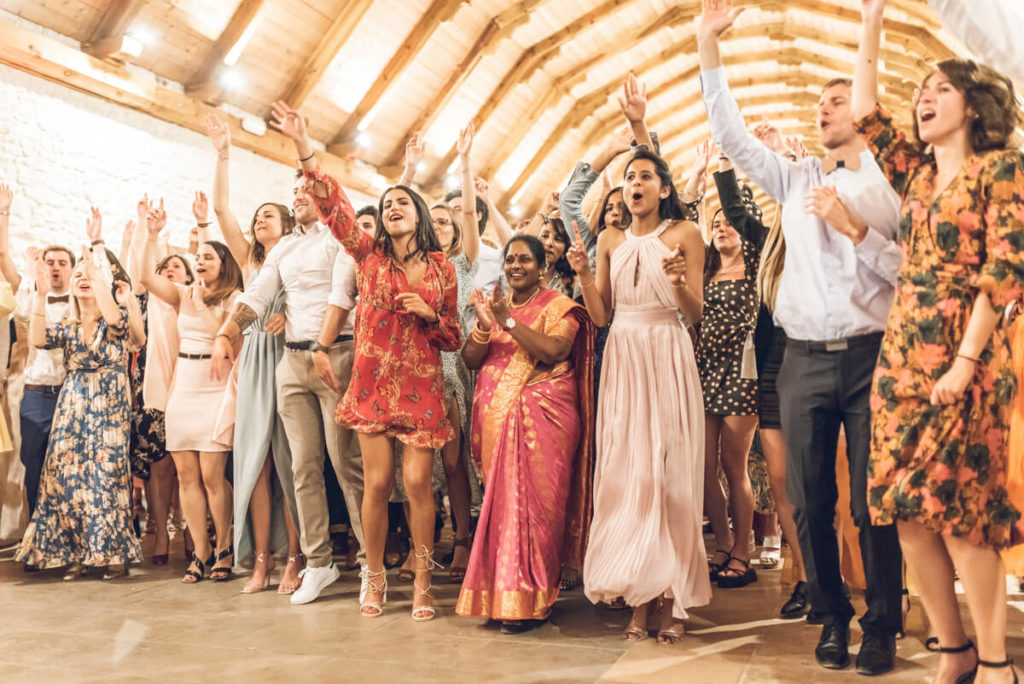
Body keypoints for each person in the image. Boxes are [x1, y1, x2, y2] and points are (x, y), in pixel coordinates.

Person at [699, 0, 904, 673]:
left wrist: (853, 228)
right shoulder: (794, 177)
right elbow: (730, 137)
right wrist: (709, 46)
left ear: (865, 114)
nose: (825, 109)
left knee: (875, 496)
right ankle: (832, 616)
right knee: (809, 496)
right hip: (804, 361)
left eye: (839, 99)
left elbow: (909, 271)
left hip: (871, 357)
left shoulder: (884, 185)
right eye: (821, 102)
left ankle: (882, 622)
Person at [852, 2, 1024, 682]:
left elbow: (1006, 273)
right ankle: (951, 651)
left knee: (961, 515)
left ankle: (997, 662)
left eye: (939, 89)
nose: (923, 99)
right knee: (904, 513)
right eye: (920, 92)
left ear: (973, 105)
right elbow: (867, 110)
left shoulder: (1002, 171)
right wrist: (872, 20)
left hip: (966, 357)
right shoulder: (916, 174)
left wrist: (964, 360)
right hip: (900, 361)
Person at [571, 76, 709, 641]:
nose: (635, 183)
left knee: (671, 474)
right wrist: (582, 276)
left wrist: (678, 282)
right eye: (629, 177)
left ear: (664, 187)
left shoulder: (687, 233)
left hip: (668, 352)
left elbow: (693, 313)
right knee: (630, 476)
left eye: (645, 175)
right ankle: (638, 593)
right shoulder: (608, 241)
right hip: (624, 358)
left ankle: (674, 599)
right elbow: (601, 318)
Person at [212, 106, 364, 605]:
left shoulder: (338, 240)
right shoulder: (283, 250)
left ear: (320, 197)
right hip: (292, 364)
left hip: (336, 356)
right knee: (302, 466)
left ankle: (368, 562)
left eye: (306, 190)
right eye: (293, 191)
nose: (299, 196)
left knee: (346, 465)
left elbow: (342, 295)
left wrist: (323, 347)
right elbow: (256, 295)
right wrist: (228, 333)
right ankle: (319, 564)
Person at [456, 234, 595, 634]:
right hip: (497, 425)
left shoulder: (558, 306)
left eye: (525, 260)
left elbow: (555, 352)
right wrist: (485, 328)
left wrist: (509, 322)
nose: (516, 266)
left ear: (542, 267)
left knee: (534, 512)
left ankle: (531, 601)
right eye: (510, 259)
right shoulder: (497, 306)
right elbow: (471, 360)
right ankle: (500, 597)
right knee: (500, 511)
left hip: (542, 424)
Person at [204, 113, 304, 595]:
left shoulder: (300, 256)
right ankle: (261, 560)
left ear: (287, 224)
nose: (260, 218)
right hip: (253, 361)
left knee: (291, 464)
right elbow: (222, 208)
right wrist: (223, 152)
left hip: (287, 358)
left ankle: (296, 558)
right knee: (255, 465)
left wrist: (295, 318)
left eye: (270, 214)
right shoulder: (249, 261)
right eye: (258, 215)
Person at [16, 235, 143, 579]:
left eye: (88, 276)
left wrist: (90, 261)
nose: (82, 279)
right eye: (78, 277)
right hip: (73, 404)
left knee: (107, 477)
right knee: (67, 478)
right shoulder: (68, 327)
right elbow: (38, 339)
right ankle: (78, 552)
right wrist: (42, 294)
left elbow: (120, 322)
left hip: (110, 404)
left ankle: (111, 555)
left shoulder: (112, 322)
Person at [730, 125, 810, 617]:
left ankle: (838, 577)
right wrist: (733, 162)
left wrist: (793, 159)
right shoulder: (771, 244)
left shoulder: (827, 235)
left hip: (822, 360)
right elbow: (737, 212)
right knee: (781, 481)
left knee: (822, 480)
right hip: (776, 365)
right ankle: (806, 577)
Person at [141, 201, 243, 584]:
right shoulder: (181, 293)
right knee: (186, 475)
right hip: (184, 384)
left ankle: (225, 546)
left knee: (213, 472)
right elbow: (146, 277)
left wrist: (201, 300)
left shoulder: (234, 298)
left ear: (224, 264)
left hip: (216, 384)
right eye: (197, 257)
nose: (200, 262)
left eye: (208, 257)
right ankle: (199, 551)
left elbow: (226, 330)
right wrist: (150, 234)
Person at [699, 154, 764, 591]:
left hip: (741, 373)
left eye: (731, 222)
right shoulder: (705, 269)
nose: (723, 227)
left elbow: (743, 211)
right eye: (716, 222)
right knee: (702, 465)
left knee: (732, 463)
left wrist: (728, 168)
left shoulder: (755, 264)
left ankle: (744, 550)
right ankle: (721, 541)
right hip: (703, 369)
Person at [431, 123, 482, 581]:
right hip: (417, 366)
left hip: (454, 367)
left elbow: (468, 213)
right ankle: (423, 544)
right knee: (422, 466)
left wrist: (464, 163)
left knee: (454, 459)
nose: (441, 227)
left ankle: (464, 538)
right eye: (435, 222)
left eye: (445, 221)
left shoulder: (461, 263)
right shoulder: (417, 267)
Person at [14, 243, 72, 525]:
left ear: (72, 269)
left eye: (62, 262)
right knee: (33, 466)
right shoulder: (31, 298)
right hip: (36, 395)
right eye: (50, 262)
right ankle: (37, 535)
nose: (55, 267)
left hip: (70, 394)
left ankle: (67, 534)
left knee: (69, 467)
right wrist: (33, 278)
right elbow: (22, 314)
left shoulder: (82, 302)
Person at [538, 217, 576, 298]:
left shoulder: (571, 283)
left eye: (558, 239)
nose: (549, 243)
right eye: (544, 236)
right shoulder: (522, 276)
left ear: (565, 251)